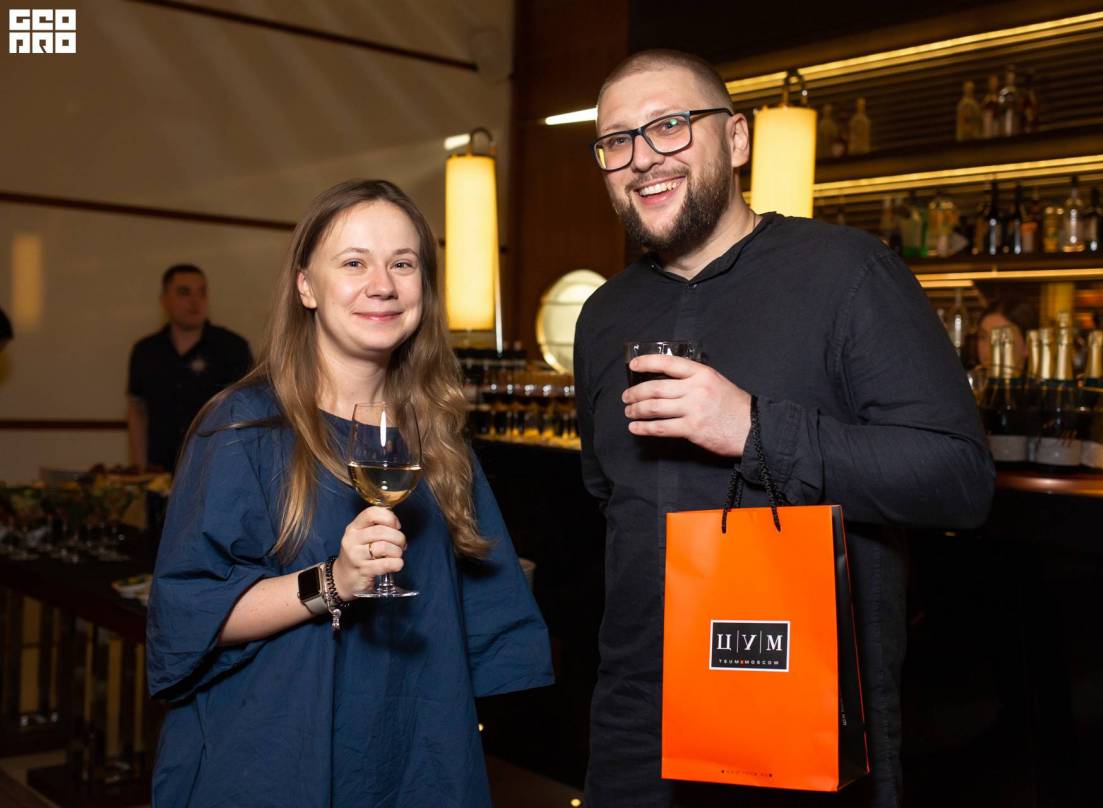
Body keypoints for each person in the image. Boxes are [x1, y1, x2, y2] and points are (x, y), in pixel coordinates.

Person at [574, 50, 995, 807]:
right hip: (637, 726)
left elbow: (958, 480)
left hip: (801, 723)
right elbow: (609, 496)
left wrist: (753, 429)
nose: (642, 158)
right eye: (617, 140)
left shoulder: (847, 272)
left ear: (737, 139)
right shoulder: (603, 316)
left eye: (670, 126)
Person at [146, 180, 552, 806]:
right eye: (354, 262)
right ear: (306, 286)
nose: (382, 284)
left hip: (414, 759)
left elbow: (482, 615)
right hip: (275, 756)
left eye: (403, 264)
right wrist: (332, 582)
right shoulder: (242, 427)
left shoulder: (436, 437)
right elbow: (191, 613)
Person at [126, 264, 253, 471]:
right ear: (164, 300)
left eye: (202, 292)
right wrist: (139, 468)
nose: (195, 301)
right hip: (160, 472)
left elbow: (248, 411)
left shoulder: (232, 348)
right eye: (184, 292)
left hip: (217, 468)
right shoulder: (146, 351)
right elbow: (137, 411)